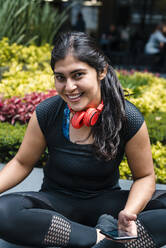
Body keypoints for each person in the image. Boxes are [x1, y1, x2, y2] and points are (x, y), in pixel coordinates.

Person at [0, 31, 166, 248]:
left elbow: (144, 176)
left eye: (78, 75)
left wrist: (129, 212)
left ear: (101, 71)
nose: (69, 87)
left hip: (107, 205)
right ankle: (101, 239)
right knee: (4, 212)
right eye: (61, 77)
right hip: (56, 204)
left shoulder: (127, 117)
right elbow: (22, 163)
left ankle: (103, 234)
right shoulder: (48, 112)